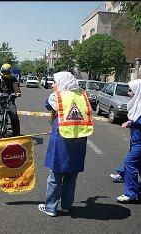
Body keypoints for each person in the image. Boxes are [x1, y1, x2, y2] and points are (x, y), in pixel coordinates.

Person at [38, 71, 93, 216]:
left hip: (62, 138)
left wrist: (56, 91)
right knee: (71, 175)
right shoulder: (83, 94)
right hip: (80, 139)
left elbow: (47, 106)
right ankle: (66, 206)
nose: (52, 85)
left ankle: (50, 207)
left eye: (54, 82)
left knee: (56, 174)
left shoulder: (58, 96)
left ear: (62, 83)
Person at [0, 63, 21, 136]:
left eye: (7, 72)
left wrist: (17, 92)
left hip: (9, 99)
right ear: (1, 71)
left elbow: (16, 86)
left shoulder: (13, 79)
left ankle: (16, 132)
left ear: (10, 72)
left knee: (13, 112)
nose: (5, 73)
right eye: (4, 72)